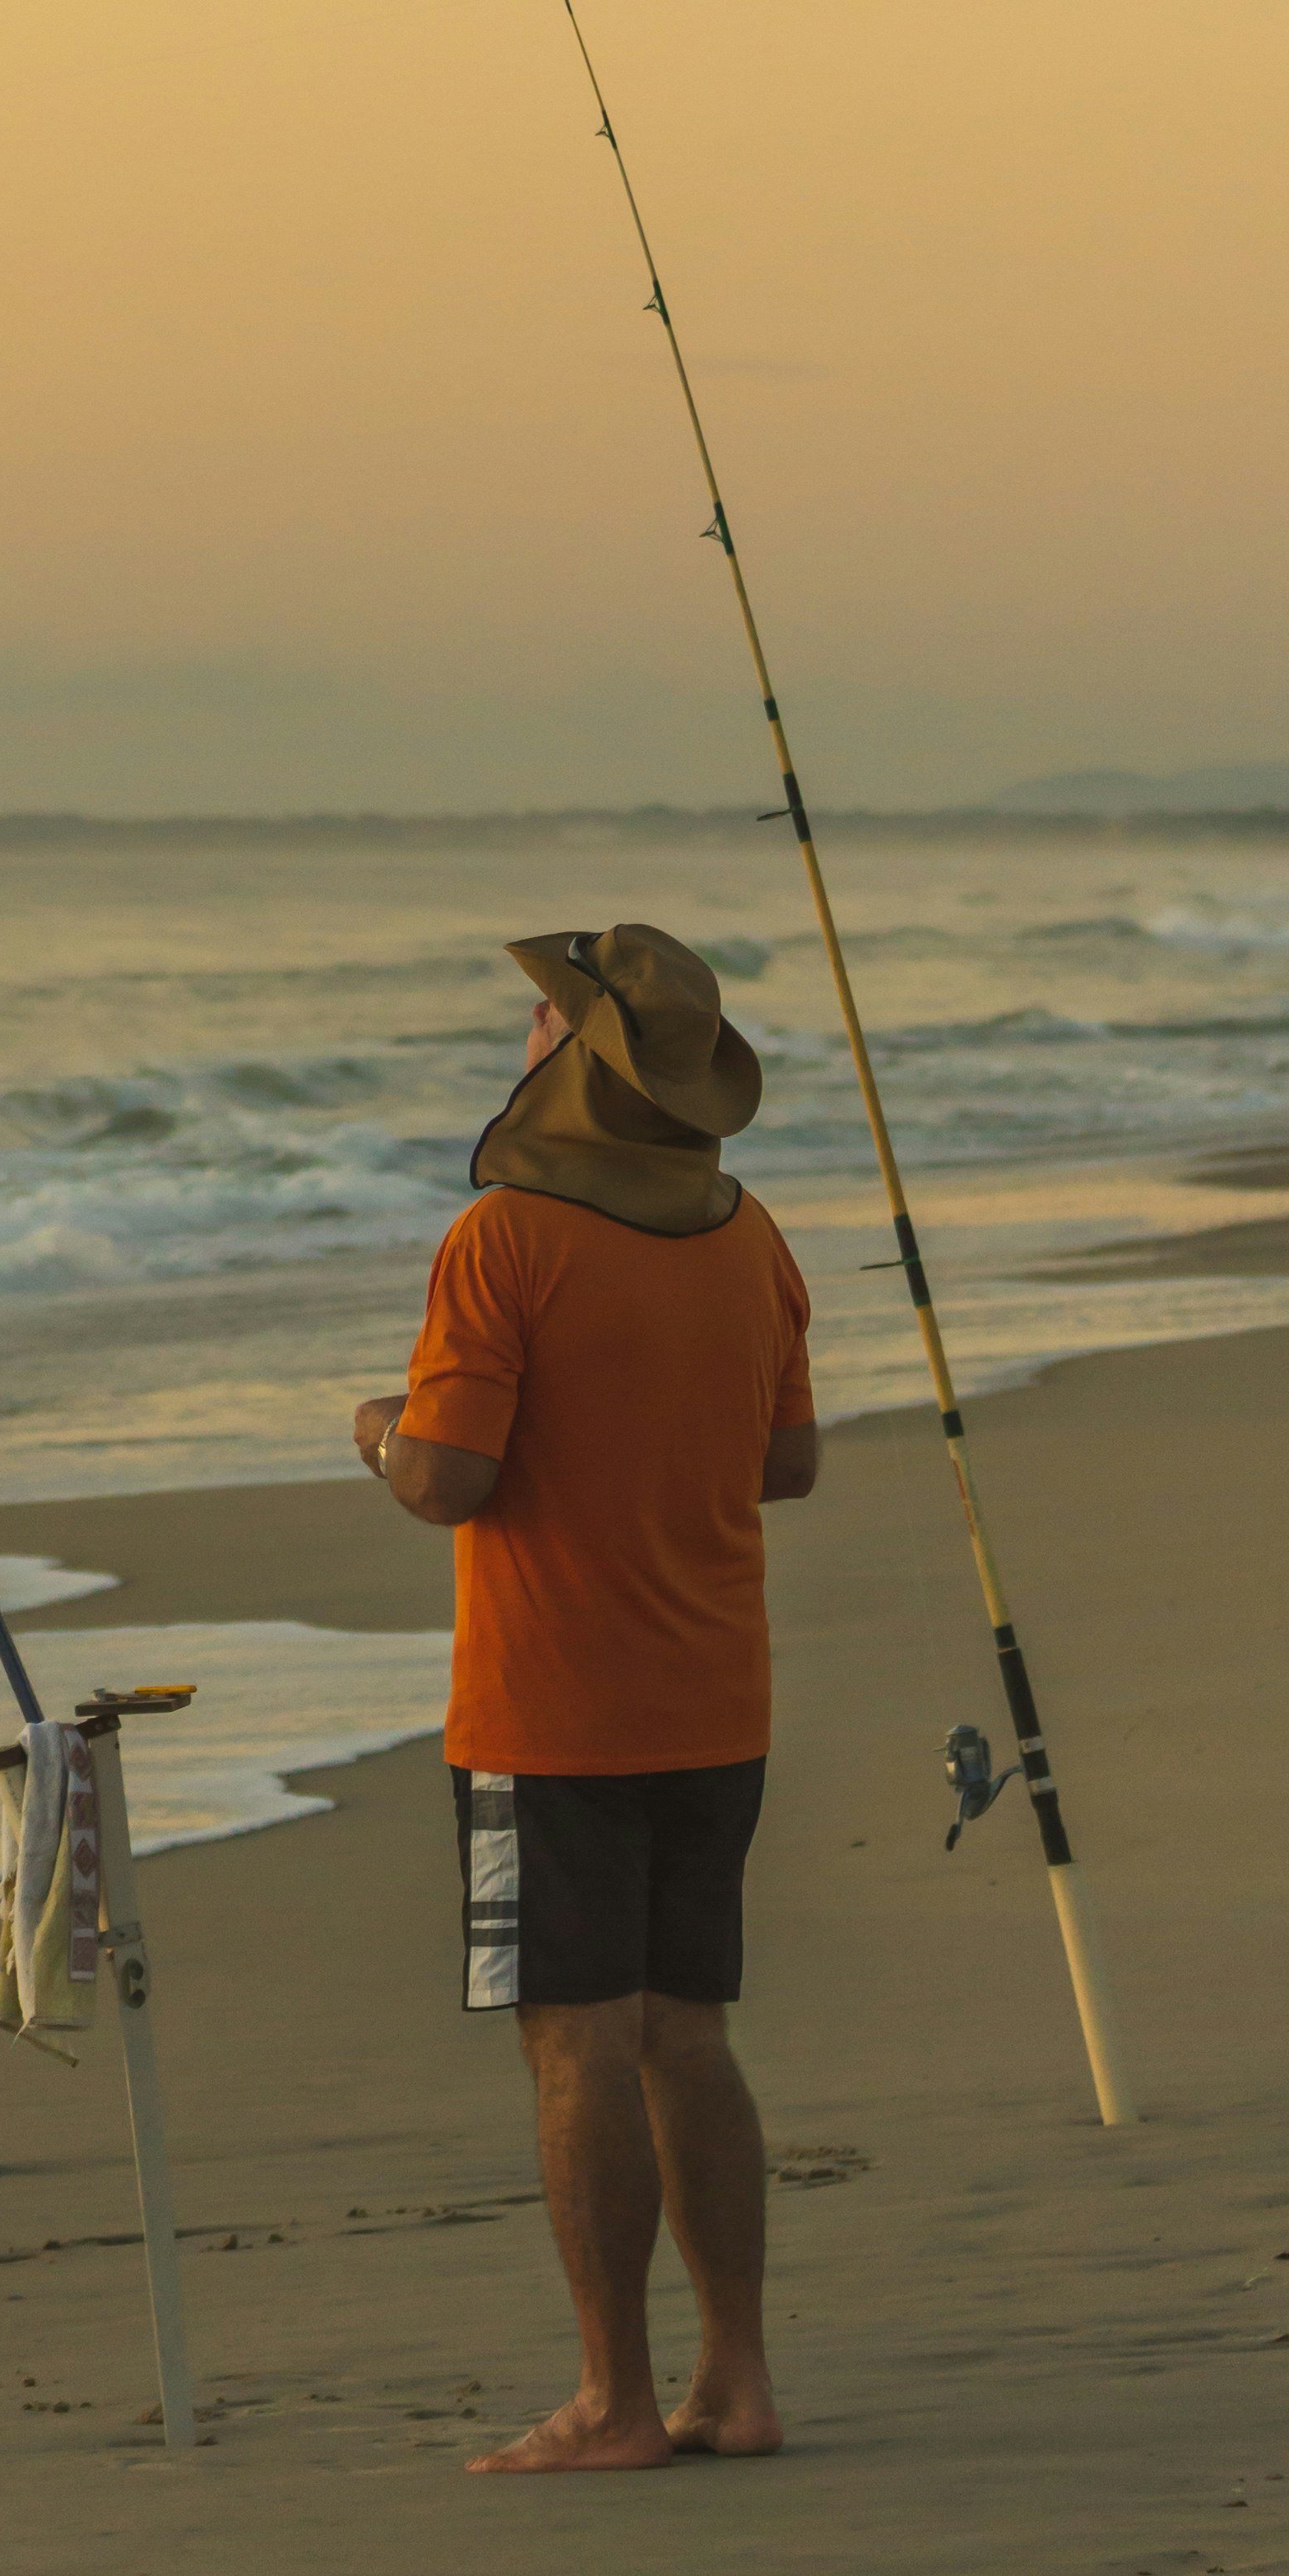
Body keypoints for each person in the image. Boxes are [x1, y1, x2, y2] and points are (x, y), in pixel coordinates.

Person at [354, 923, 818, 2477]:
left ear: (576, 1058)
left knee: (575, 2046)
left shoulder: (504, 1243)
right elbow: (784, 1465)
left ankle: (616, 2400)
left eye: (544, 1019)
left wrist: (377, 1428)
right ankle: (736, 2385)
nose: (527, 1035)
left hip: (545, 1717)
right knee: (690, 2035)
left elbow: (448, 1481)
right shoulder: (750, 1235)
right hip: (718, 1705)